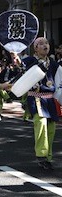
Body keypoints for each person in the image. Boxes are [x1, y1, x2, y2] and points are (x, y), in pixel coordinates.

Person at [20, 37, 60, 170]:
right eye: (41, 44)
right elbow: (21, 70)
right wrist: (16, 60)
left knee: (51, 128)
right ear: (35, 48)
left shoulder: (54, 64)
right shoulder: (29, 61)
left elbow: (59, 81)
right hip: (36, 97)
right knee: (41, 123)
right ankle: (41, 155)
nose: (45, 45)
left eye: (47, 43)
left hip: (50, 98)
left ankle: (48, 156)